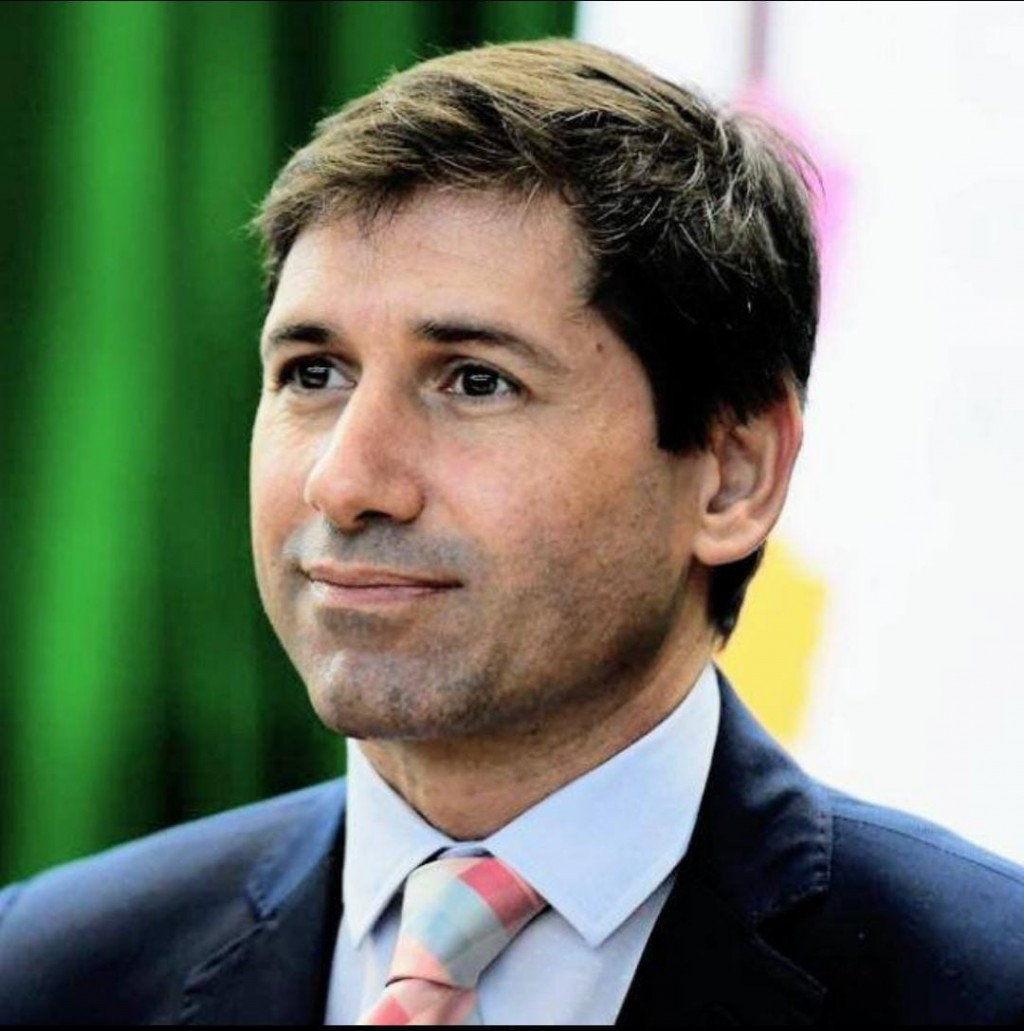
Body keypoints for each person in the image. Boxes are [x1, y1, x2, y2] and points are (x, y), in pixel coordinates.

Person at [1, 38, 1023, 1026]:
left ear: (731, 474)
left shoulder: (983, 983)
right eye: (314, 373)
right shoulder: (48, 969)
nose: (344, 481)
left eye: (475, 381)